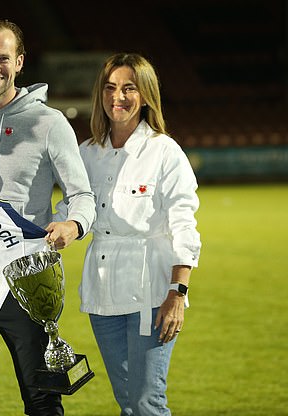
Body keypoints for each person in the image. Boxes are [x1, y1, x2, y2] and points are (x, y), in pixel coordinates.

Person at [0, 17, 96, 416]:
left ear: (20, 61)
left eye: (3, 58)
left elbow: (82, 194)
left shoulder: (49, 122)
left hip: (25, 280)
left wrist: (72, 224)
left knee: (42, 397)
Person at [76, 53, 202, 415]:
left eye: (129, 88)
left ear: (145, 95)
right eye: (111, 88)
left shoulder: (164, 152)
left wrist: (178, 291)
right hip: (102, 294)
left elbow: (184, 222)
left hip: (152, 293)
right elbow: (73, 210)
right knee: (127, 403)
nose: (118, 97)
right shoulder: (87, 153)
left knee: (147, 402)